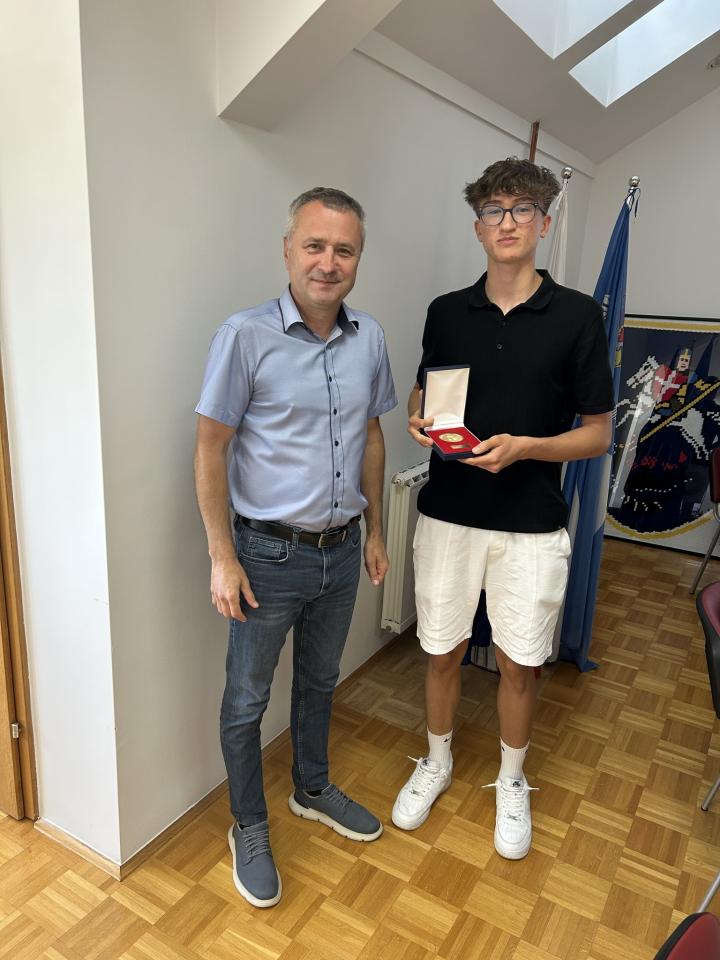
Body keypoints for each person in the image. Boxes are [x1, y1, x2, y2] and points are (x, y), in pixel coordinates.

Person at [391, 158, 613, 860]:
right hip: (448, 513)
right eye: (494, 210)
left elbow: (598, 433)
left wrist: (527, 449)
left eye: (521, 210)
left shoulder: (578, 315)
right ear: (478, 227)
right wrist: (418, 416)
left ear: (543, 223)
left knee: (520, 662)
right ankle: (436, 761)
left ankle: (512, 780)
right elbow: (425, 391)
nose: (507, 222)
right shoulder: (445, 310)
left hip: (531, 523)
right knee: (441, 650)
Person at [194, 187, 397, 908]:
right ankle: (248, 824)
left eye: (344, 250)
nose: (327, 263)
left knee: (319, 680)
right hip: (266, 558)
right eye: (314, 246)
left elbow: (372, 434)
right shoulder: (244, 336)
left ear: (358, 260)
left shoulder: (369, 337)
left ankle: (311, 787)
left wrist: (376, 530)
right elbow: (210, 447)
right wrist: (222, 556)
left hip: (341, 552)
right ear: (288, 251)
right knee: (246, 701)